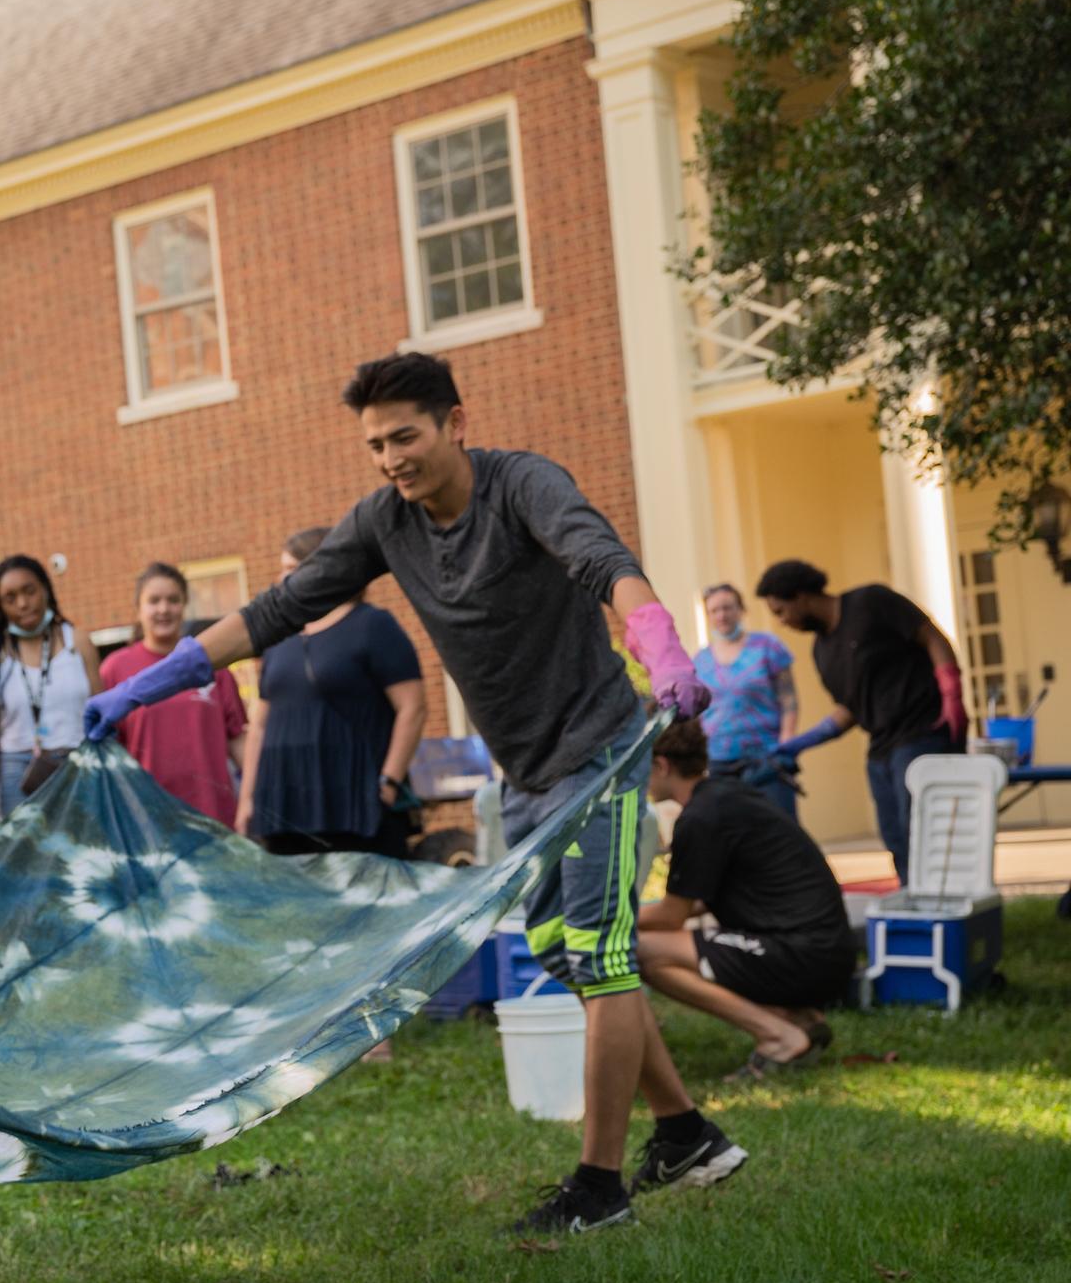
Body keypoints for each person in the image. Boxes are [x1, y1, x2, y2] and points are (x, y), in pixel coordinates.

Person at [89, 351, 742, 1237]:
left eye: (406, 435)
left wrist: (661, 643)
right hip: (526, 767)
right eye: (375, 443)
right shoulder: (384, 522)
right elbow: (280, 608)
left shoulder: (524, 487)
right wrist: (152, 680)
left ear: (454, 424)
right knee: (561, 947)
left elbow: (603, 563)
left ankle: (601, 1186)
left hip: (599, 745)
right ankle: (686, 1133)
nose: (392, 456)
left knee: (600, 951)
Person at [637, 719, 852, 1077]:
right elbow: (702, 899)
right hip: (822, 952)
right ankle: (798, 1018)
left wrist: (604, 917)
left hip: (803, 953)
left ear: (661, 766)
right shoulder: (725, 796)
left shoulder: (701, 818)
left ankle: (780, 1037)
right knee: (670, 943)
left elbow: (671, 917)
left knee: (643, 949)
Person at [756, 559, 966, 881]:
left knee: (923, 832)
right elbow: (850, 709)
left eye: (780, 611)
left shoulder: (871, 602)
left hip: (922, 731)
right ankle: (917, 911)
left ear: (800, 596)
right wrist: (801, 743)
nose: (782, 622)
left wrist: (951, 692)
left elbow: (933, 637)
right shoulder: (822, 651)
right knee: (896, 838)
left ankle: (947, 909)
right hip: (881, 748)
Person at [230, 536, 425, 853]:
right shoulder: (280, 638)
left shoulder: (373, 625)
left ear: (329, 569)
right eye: (282, 570)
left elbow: (412, 709)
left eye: (295, 568)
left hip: (354, 803)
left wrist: (389, 783)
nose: (284, 579)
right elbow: (260, 726)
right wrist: (248, 799)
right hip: (285, 805)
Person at [101, 564, 249, 826]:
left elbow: (237, 738)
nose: (164, 609)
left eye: (173, 600)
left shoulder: (212, 663)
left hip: (214, 815)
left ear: (184, 605)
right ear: (138, 608)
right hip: (148, 819)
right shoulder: (115, 669)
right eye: (154, 601)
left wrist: (252, 797)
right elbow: (109, 750)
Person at [0, 554, 102, 825]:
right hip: (18, 777)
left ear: (45, 588)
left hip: (78, 765)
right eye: (10, 598)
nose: (22, 603)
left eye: (29, 591)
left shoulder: (76, 642)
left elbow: (101, 718)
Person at [690, 583, 800, 817]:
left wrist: (787, 741)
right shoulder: (700, 660)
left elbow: (788, 698)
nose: (722, 615)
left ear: (741, 609)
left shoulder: (767, 646)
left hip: (766, 755)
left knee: (779, 824)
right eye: (715, 611)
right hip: (719, 761)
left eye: (728, 608)